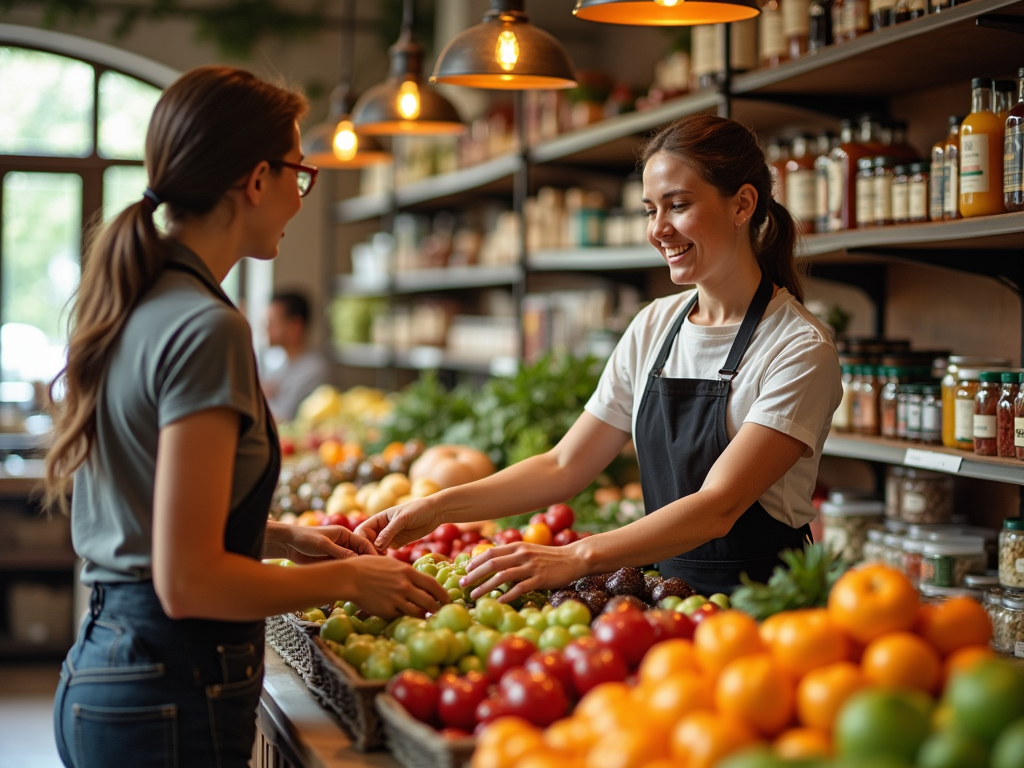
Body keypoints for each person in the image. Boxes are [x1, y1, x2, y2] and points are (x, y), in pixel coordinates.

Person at [45, 66, 447, 768]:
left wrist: (279, 537)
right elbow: (187, 579)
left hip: (117, 671)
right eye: (300, 171)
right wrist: (351, 580)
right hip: (170, 686)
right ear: (256, 180)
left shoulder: (142, 298)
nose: (302, 193)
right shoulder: (209, 328)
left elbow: (144, 520)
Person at [358, 115, 842, 601]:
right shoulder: (655, 325)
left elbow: (718, 506)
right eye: (650, 210)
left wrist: (574, 557)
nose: (658, 230)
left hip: (764, 611)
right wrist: (437, 508)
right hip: (669, 602)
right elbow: (563, 465)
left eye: (678, 206)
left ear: (742, 204)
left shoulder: (798, 348)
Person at [262, 290, 331, 421]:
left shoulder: (314, 369)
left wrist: (258, 397)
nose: (267, 329)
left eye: (273, 323)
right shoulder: (276, 361)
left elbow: (285, 417)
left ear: (296, 327)